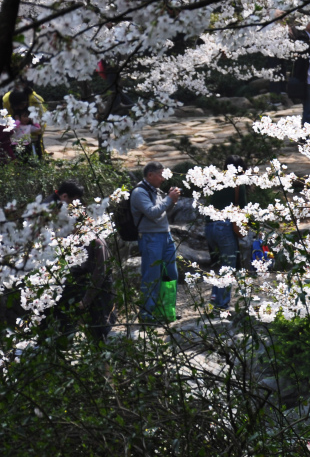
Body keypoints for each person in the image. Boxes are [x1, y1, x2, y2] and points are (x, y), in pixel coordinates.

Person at [41, 180, 115, 342]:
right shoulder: (70, 241)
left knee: (100, 331)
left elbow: (99, 275)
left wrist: (86, 300)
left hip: (98, 292)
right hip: (79, 289)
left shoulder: (96, 243)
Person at [130, 161, 181, 321]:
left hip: (165, 235)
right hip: (150, 237)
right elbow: (152, 213)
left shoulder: (156, 191)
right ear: (150, 175)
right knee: (151, 276)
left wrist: (172, 200)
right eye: (161, 175)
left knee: (171, 274)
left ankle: (165, 310)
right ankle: (147, 314)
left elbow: (163, 213)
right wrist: (168, 199)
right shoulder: (139, 192)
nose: (163, 179)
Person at [204, 155, 247, 311]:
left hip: (209, 227)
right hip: (225, 227)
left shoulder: (216, 180)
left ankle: (215, 300)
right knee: (228, 267)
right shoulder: (237, 183)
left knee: (217, 266)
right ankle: (222, 305)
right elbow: (242, 208)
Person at [289, 22, 310, 126]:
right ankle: (307, 135)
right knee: (309, 109)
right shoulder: (301, 37)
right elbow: (308, 48)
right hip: (306, 78)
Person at [2, 84, 47, 157]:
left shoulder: (34, 100)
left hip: (34, 120)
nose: (20, 109)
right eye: (17, 107)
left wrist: (36, 134)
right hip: (17, 122)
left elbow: (42, 119)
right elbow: (7, 118)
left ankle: (41, 157)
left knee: (37, 142)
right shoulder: (6, 100)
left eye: (22, 106)